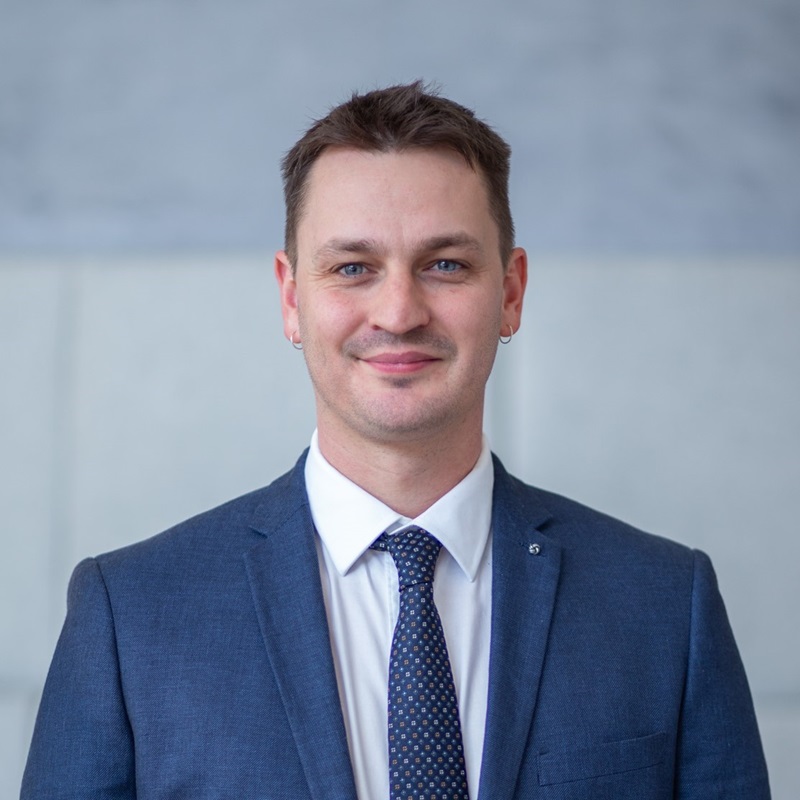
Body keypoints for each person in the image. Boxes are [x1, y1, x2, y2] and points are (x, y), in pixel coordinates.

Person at [22, 82, 770, 799]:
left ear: (510, 293)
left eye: (446, 265)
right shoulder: (132, 615)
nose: (399, 311)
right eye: (353, 267)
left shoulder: (668, 607)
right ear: (291, 298)